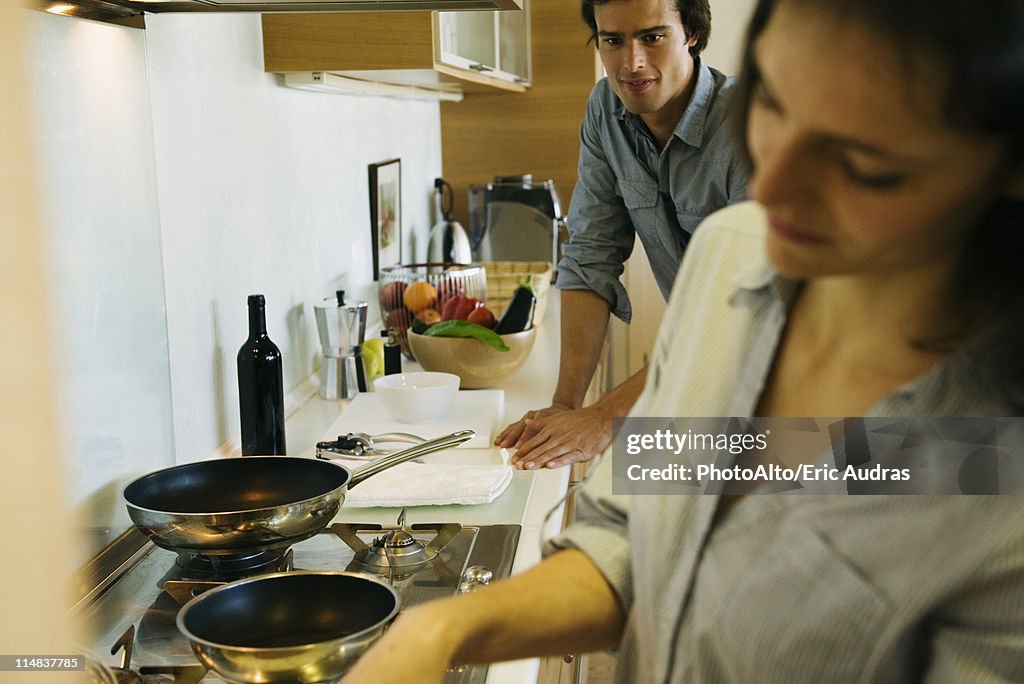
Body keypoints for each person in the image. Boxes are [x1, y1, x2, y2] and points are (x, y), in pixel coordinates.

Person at [343, 0, 1024, 681]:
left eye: (862, 162)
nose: (775, 189)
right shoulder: (729, 259)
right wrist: (439, 632)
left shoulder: (992, 458)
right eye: (773, 106)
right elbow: (626, 538)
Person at [496, 0, 750, 470]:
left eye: (652, 37)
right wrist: (566, 407)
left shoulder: (749, 123)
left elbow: (740, 313)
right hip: (712, 378)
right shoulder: (605, 109)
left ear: (691, 34)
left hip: (817, 389)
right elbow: (591, 255)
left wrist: (604, 418)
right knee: (636, 512)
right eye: (612, 40)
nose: (630, 63)